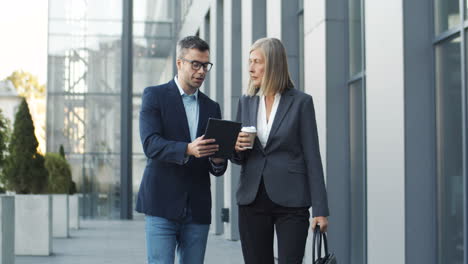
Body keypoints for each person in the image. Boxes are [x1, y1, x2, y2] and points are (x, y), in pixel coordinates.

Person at [231, 37, 330, 264]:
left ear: (273, 64)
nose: (250, 68)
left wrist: (320, 210)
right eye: (250, 61)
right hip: (252, 198)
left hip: (292, 201)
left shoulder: (301, 102)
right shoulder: (246, 101)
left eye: (257, 61)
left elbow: (312, 157)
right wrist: (237, 147)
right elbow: (238, 156)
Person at [137, 35, 228, 264]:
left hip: (197, 208)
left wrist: (218, 159)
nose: (201, 71)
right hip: (161, 205)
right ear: (180, 63)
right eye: (195, 64)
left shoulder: (212, 107)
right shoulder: (154, 96)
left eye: (205, 65)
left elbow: (217, 166)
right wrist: (187, 149)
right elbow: (150, 144)